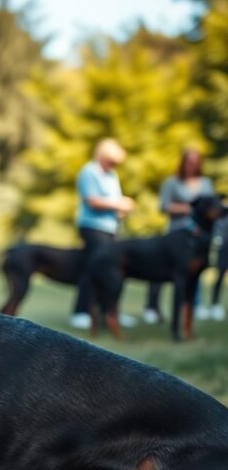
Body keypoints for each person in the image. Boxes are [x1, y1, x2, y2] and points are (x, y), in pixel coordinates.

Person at [143, 148, 216, 324]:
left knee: (194, 270)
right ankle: (152, 307)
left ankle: (192, 306)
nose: (192, 164)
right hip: (177, 234)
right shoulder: (172, 182)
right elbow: (163, 206)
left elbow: (210, 206)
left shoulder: (205, 183)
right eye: (189, 161)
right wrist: (188, 208)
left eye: (196, 161)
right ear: (183, 162)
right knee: (161, 269)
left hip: (200, 236)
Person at [69, 138, 135, 330]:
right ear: (102, 156)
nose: (113, 165)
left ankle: (110, 312)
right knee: (92, 268)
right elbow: (92, 201)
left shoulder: (112, 175)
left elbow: (112, 202)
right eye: (111, 161)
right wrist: (119, 203)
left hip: (111, 229)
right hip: (93, 227)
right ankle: (81, 312)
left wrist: (121, 209)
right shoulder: (89, 171)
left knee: (111, 273)